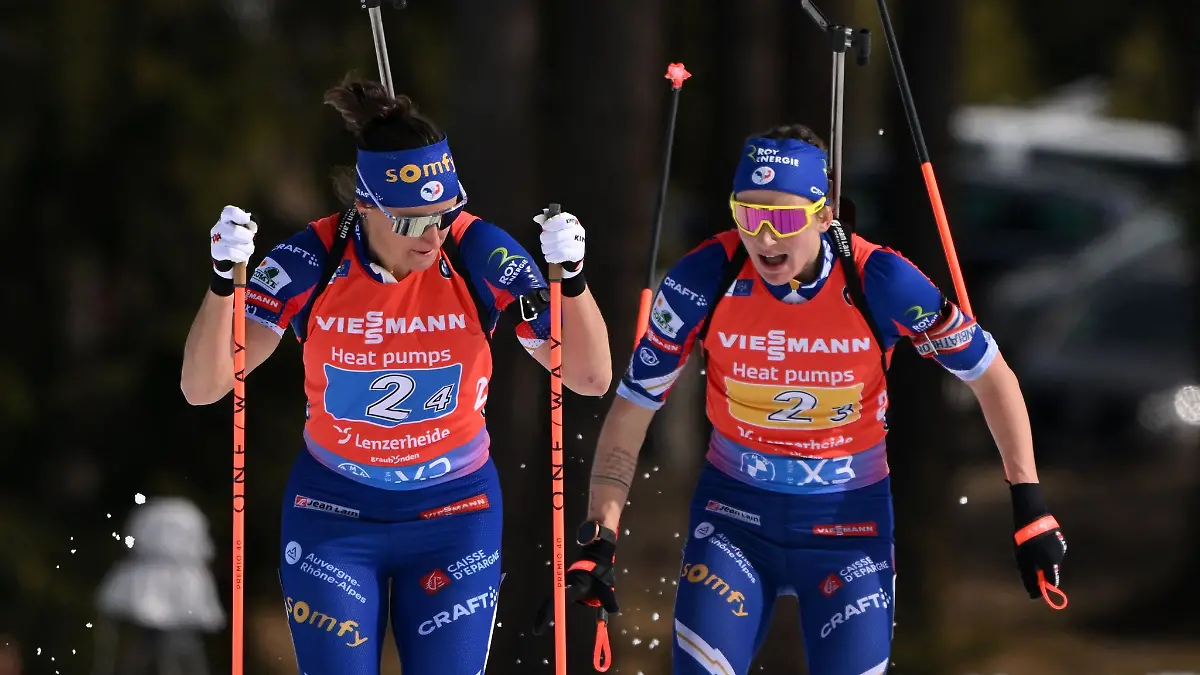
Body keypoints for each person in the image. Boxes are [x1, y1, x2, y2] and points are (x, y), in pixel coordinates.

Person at [561, 125, 1067, 675]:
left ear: (825, 217)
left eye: (781, 218)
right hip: (736, 517)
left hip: (847, 527)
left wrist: (1029, 504)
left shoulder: (881, 278)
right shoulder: (704, 277)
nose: (763, 238)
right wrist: (600, 532)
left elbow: (991, 377)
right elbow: (633, 408)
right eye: (747, 214)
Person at [180, 73, 612, 675]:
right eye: (411, 221)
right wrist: (223, 283)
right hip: (333, 512)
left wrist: (574, 277)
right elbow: (204, 388)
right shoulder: (315, 258)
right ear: (364, 206)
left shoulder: (474, 251)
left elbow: (589, 377)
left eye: (444, 213)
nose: (431, 235)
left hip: (454, 514)